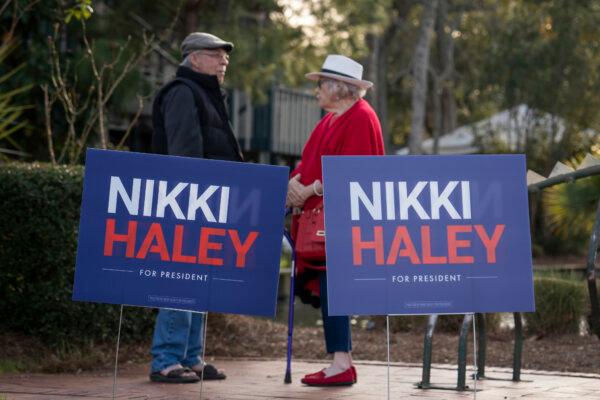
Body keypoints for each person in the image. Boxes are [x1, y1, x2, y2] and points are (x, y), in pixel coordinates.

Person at [149, 32, 243, 384]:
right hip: (186, 205)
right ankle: (166, 359)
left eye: (225, 58)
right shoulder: (181, 93)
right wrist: (195, 201)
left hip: (208, 205)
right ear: (193, 59)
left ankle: (190, 357)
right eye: (216, 56)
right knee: (180, 279)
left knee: (199, 282)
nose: (223, 63)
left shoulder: (206, 95)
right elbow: (183, 155)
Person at [287, 54, 385, 387]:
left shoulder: (360, 118)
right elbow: (308, 160)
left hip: (342, 222)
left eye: (320, 85)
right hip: (321, 218)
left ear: (338, 88)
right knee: (331, 289)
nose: (316, 91)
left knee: (335, 288)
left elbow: (355, 172)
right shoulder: (330, 119)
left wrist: (309, 188)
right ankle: (341, 361)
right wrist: (295, 183)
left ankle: (341, 363)